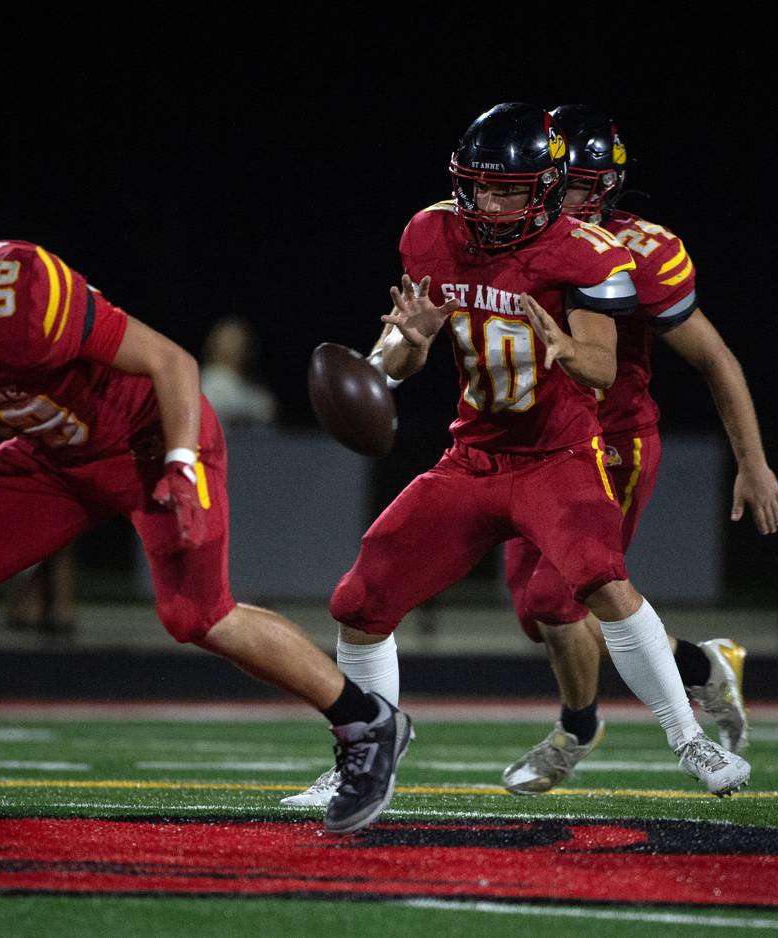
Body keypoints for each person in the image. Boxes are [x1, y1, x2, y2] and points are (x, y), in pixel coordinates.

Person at [0, 194, 409, 834]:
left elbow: (172, 362)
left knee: (197, 614)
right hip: (55, 454)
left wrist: (183, 464)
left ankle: (367, 722)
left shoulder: (15, 290)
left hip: (148, 438)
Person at [284, 103, 749, 810]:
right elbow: (406, 360)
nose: (490, 204)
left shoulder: (588, 253)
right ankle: (366, 756)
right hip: (473, 454)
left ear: (545, 188)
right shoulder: (431, 232)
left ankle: (688, 736)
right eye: (479, 187)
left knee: (599, 579)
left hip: (556, 453)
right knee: (359, 599)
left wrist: (568, 348)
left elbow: (600, 366)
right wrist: (399, 348)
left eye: (508, 190)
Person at [497, 105, 778, 795]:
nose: (555, 193)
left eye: (572, 182)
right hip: (531, 443)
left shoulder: (638, 251)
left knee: (558, 596)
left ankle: (578, 727)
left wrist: (752, 461)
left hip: (608, 443)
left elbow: (715, 359)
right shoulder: (505, 234)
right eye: (551, 178)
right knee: (539, 614)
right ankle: (702, 668)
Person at [200, 317, 277, 427]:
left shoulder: (258, 392)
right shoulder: (202, 384)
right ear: (214, 344)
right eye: (230, 340)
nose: (236, 346)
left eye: (240, 339)